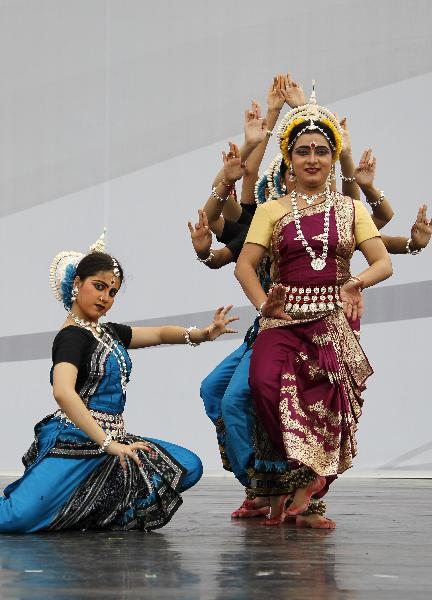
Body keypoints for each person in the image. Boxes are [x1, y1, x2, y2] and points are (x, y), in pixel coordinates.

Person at [0, 233, 237, 533]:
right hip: (76, 443)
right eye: (99, 286)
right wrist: (107, 442)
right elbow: (62, 392)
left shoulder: (107, 332)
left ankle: (90, 513)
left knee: (186, 466)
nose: (105, 298)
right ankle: (73, 508)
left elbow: (162, 334)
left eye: (112, 292)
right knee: (13, 517)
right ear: (76, 284)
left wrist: (203, 334)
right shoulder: (72, 337)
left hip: (113, 444)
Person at [235, 85, 394, 525]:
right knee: (264, 385)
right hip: (282, 320)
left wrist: (355, 283)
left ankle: (310, 491)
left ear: (331, 157)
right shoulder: (271, 210)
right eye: (303, 150)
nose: (312, 159)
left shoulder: (349, 208)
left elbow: (382, 262)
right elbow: (245, 266)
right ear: (289, 157)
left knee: (328, 403)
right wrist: (263, 305)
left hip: (331, 320)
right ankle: (296, 479)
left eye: (321, 151)